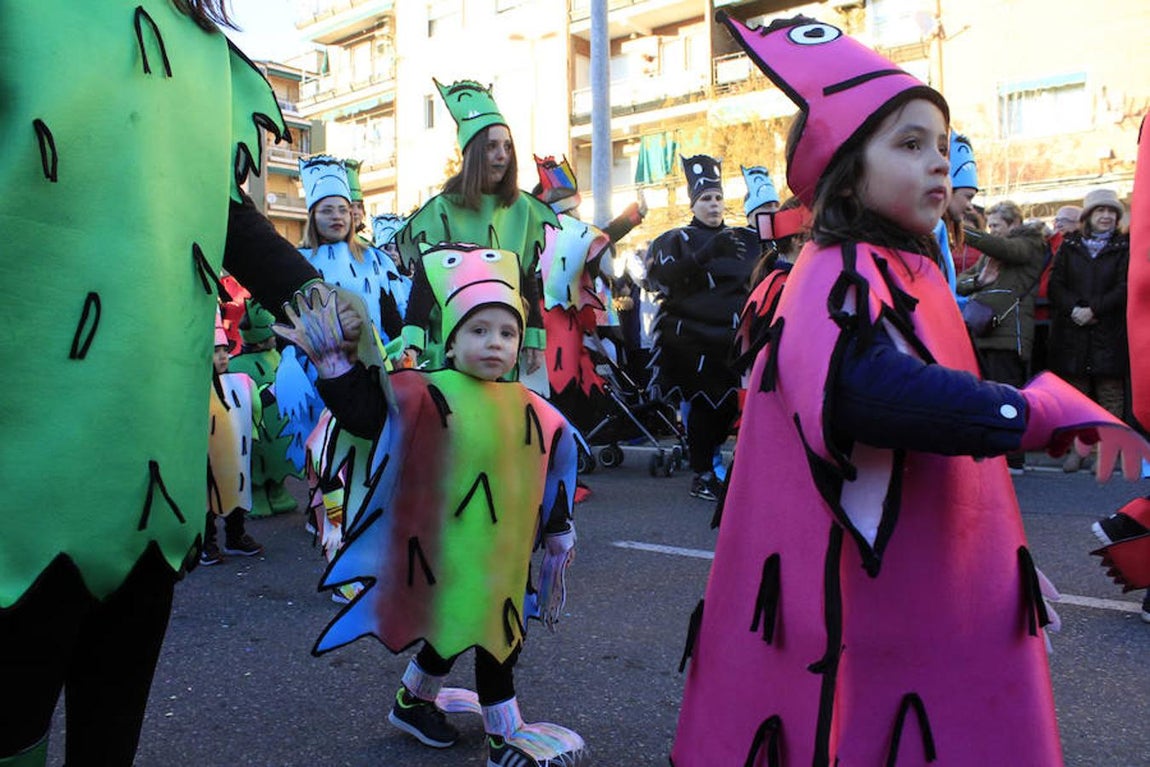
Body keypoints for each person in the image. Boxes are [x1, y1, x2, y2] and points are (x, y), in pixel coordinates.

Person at [672, 14, 1150, 766]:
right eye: (908, 143)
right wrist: (1028, 410)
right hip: (861, 599)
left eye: (940, 143)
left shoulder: (902, 268)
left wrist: (990, 553)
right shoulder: (838, 270)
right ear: (846, 169)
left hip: (903, 581)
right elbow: (867, 392)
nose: (937, 163)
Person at [0, 2, 341, 764]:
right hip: (19, 456)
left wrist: (322, 306)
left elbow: (212, 210)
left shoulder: (203, 53)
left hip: (148, 456)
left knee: (111, 718)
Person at [273, 245, 586, 767]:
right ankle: (504, 738)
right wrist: (334, 367)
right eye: (478, 331)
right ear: (452, 339)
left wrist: (558, 529)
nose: (494, 343)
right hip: (447, 552)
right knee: (496, 637)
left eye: (506, 333)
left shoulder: (536, 409)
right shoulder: (426, 392)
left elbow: (549, 476)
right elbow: (368, 419)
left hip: (505, 556)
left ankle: (413, 701)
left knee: (458, 629)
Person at [396, 79, 557, 373]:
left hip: (500, 347)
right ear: (473, 153)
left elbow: (527, 276)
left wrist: (533, 339)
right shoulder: (443, 209)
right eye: (492, 147)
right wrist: (412, 342)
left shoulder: (523, 209)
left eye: (508, 147)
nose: (502, 156)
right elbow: (425, 279)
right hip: (452, 346)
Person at [646, 154, 760, 501]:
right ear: (693, 203)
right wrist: (704, 254)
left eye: (717, 197)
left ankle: (713, 462)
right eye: (706, 198)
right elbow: (660, 279)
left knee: (728, 408)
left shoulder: (742, 238)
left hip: (732, 341)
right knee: (705, 405)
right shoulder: (675, 239)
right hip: (691, 341)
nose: (713, 204)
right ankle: (703, 473)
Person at [956, 200, 1047, 473]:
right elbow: (961, 281)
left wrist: (962, 230)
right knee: (989, 396)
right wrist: (980, 281)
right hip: (983, 330)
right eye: (990, 226)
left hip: (1009, 335)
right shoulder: (991, 253)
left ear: (1014, 224)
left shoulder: (1030, 243)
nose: (993, 231)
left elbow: (1006, 249)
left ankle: (1014, 458)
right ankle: (995, 454)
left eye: (997, 225)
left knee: (1009, 396)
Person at [1048, 189, 1131, 471]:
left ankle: (1105, 453)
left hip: (1109, 329)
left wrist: (1093, 309)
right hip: (1073, 331)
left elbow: (1125, 286)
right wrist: (1074, 309)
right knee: (1077, 397)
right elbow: (1056, 285)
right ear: (1088, 216)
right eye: (1100, 211)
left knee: (1110, 396)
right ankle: (1078, 449)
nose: (1106, 216)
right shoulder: (1070, 245)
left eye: (1111, 212)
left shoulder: (1125, 246)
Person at [227, 299, 299, 518]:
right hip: (258, 428)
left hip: (279, 426)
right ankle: (256, 496)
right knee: (256, 464)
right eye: (270, 335)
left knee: (278, 459)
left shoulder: (277, 357)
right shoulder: (237, 365)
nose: (274, 339)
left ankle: (278, 492)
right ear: (258, 341)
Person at [203, 311, 264, 564]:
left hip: (235, 452)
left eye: (225, 350)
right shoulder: (196, 387)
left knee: (236, 491)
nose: (223, 356)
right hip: (206, 455)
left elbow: (254, 408)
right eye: (216, 351)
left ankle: (235, 536)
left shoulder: (239, 383)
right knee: (206, 498)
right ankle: (206, 542)